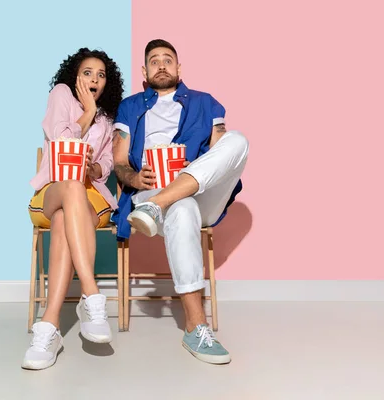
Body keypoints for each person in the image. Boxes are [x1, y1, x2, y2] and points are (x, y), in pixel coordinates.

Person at [112, 39, 249, 365]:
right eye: (154, 61)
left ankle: (161, 201)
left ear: (179, 68)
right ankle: (195, 326)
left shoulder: (206, 102)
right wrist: (134, 179)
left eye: (168, 59)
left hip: (201, 193)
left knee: (238, 141)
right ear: (144, 71)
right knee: (182, 206)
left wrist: (192, 173)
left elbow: (221, 153)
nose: (161, 65)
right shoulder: (130, 107)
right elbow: (119, 162)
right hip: (150, 192)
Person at [22, 48, 124, 370]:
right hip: (53, 188)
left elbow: (107, 163)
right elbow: (59, 137)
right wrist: (88, 113)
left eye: (101, 75)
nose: (94, 79)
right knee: (69, 188)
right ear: (75, 76)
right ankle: (91, 295)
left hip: (90, 198)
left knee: (69, 210)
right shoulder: (61, 95)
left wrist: (95, 169)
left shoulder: (109, 120)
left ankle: (49, 327)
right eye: (88, 73)